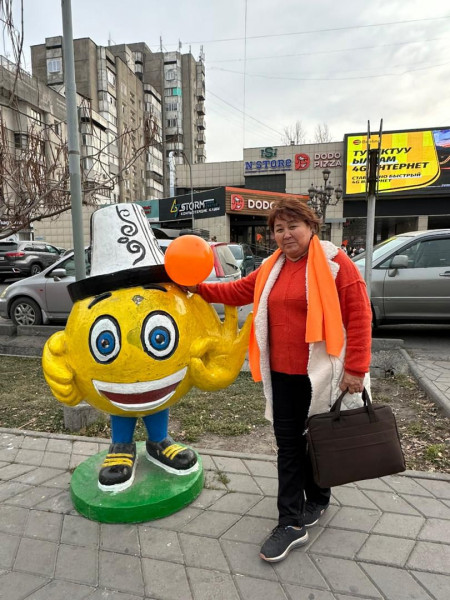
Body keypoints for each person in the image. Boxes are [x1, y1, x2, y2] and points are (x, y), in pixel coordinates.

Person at [185, 198, 372, 563]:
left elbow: (359, 314)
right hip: (282, 374)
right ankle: (291, 522)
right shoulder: (272, 267)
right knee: (289, 446)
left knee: (318, 439)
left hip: (321, 373)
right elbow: (238, 291)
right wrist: (196, 287)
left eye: (293, 226)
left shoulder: (336, 263)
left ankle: (318, 498)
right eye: (278, 229)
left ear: (311, 227)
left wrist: (356, 368)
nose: (286, 235)